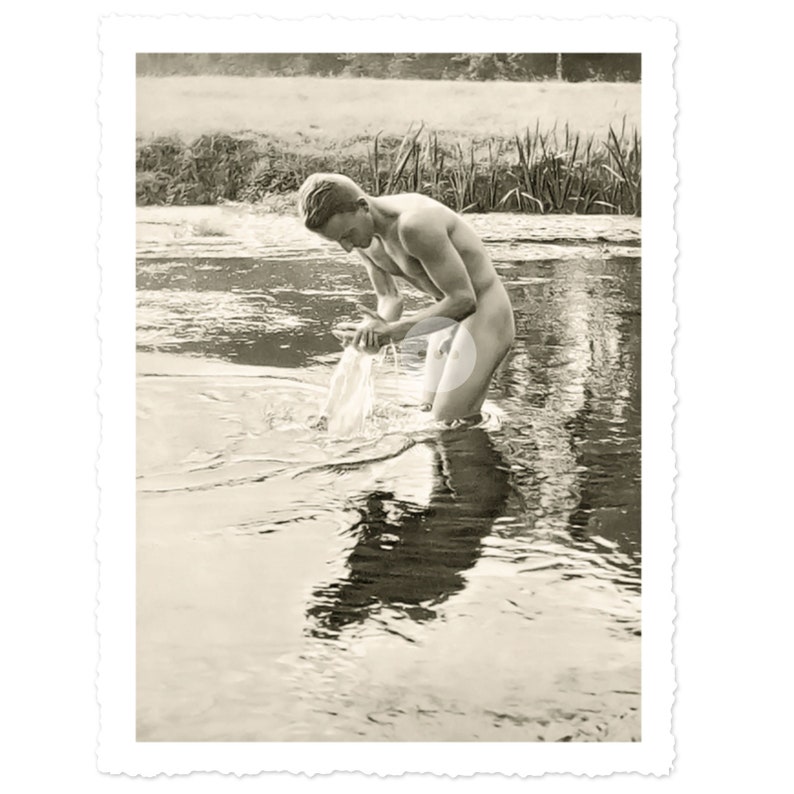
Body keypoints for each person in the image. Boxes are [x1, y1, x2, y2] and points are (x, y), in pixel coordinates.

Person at [298, 173, 515, 423]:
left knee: (450, 420)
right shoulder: (365, 240)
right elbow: (390, 298)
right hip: (446, 316)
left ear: (363, 206)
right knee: (428, 413)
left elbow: (464, 299)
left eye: (347, 235)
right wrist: (371, 331)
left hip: (486, 312)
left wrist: (391, 333)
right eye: (338, 241)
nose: (347, 248)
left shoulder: (414, 225)